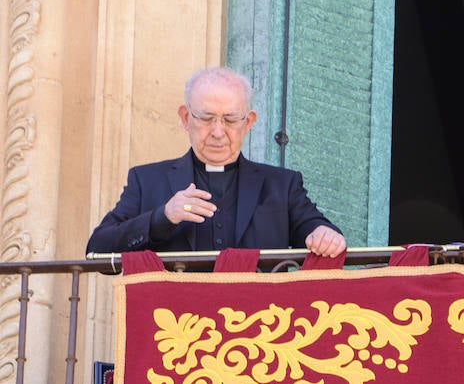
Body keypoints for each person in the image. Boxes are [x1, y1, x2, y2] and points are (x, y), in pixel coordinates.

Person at [86, 66, 346, 260]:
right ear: (185, 118)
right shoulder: (147, 181)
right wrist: (162, 217)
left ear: (249, 122)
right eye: (206, 118)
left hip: (261, 327)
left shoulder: (281, 185)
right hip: (175, 327)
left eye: (231, 120)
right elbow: (97, 248)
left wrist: (324, 235)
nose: (218, 132)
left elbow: (316, 228)